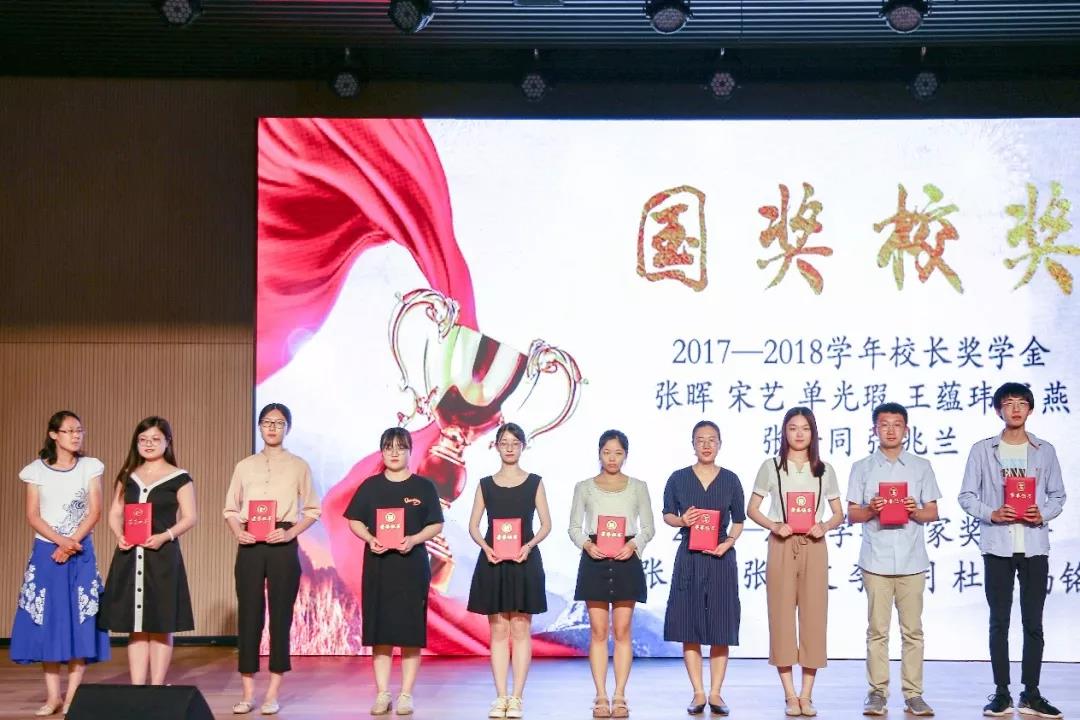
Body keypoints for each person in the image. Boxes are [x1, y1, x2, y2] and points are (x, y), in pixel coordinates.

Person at [958, 382, 1066, 719]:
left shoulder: (1044, 451)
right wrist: (991, 512)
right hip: (997, 547)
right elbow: (966, 496)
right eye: (1008, 403)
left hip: (1034, 547)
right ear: (998, 410)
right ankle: (1002, 693)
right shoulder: (982, 450)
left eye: (1022, 403)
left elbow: (1058, 495)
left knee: (1033, 623)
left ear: (1030, 409)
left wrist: (1041, 513)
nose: (1016, 408)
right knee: (999, 622)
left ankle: (1031, 694)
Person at [223, 403, 321, 715]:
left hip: (282, 543)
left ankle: (272, 693)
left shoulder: (299, 466)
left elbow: (313, 510)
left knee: (281, 616)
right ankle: (247, 693)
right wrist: (239, 532)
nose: (272, 428)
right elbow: (230, 509)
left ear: (287, 428)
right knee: (249, 615)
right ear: (260, 426)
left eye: (279, 423)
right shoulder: (244, 466)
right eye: (267, 422)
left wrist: (290, 533)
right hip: (251, 543)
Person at [11, 411, 111, 716]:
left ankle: (72, 697)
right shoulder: (35, 471)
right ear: (54, 434)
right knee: (49, 620)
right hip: (47, 552)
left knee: (79, 621)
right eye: (69, 431)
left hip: (80, 551)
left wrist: (70, 544)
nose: (76, 436)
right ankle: (53, 696)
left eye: (79, 430)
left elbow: (95, 511)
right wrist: (60, 542)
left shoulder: (90, 467)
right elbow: (33, 515)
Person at [746, 406, 844, 717]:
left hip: (814, 545)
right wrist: (774, 525)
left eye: (805, 428)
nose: (799, 434)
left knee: (814, 618)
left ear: (813, 433)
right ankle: (790, 695)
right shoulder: (772, 467)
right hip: (781, 545)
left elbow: (838, 513)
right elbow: (752, 508)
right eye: (792, 428)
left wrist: (824, 526)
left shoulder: (824, 469)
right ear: (784, 432)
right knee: (781, 618)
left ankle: (807, 695)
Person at [846, 403, 940, 717]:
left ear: (906, 430)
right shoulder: (862, 467)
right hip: (876, 560)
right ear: (875, 430)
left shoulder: (921, 466)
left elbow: (932, 512)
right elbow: (852, 514)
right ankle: (877, 693)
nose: (890, 430)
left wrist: (915, 510)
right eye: (884, 424)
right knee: (877, 631)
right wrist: (871, 508)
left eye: (897, 424)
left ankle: (914, 694)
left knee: (913, 631)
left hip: (913, 561)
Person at [345, 427, 445, 716]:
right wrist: (369, 538)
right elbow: (354, 520)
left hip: (412, 567)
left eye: (400, 447)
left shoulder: (423, 487)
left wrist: (414, 539)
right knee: (381, 633)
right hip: (378, 567)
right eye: (389, 447)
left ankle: (405, 695)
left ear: (410, 451)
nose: (394, 453)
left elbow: (436, 524)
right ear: (382, 451)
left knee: (411, 633)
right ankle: (382, 694)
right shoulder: (371, 486)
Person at [99, 416, 198, 685]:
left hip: (162, 557)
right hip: (130, 556)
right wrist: (119, 535)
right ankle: (138, 688)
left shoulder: (179, 477)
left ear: (167, 442)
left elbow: (190, 517)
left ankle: (156, 688)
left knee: (160, 623)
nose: (149, 444)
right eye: (143, 440)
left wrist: (165, 536)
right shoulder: (127, 476)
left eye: (155, 439)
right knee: (136, 625)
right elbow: (115, 512)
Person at [466, 422, 552, 719]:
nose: (510, 448)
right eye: (505, 443)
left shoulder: (534, 482)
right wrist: (486, 547)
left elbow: (546, 525)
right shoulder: (485, 484)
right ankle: (500, 696)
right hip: (493, 562)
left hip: (524, 561)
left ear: (523, 447)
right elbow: (474, 526)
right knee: (499, 630)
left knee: (521, 629)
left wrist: (528, 546)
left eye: (515, 443)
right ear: (497, 446)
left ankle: (517, 698)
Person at [568, 429, 655, 719]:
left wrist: (633, 545)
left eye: (618, 453)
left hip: (626, 560)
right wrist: (587, 545)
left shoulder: (638, 487)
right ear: (599, 454)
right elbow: (574, 527)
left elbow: (648, 528)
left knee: (622, 631)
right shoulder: (584, 487)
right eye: (607, 452)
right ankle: (600, 695)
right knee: (598, 631)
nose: (612, 458)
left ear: (626, 455)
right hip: (594, 560)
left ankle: (619, 695)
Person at [662, 420, 744, 716]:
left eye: (712, 439)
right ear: (693, 445)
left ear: (720, 444)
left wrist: (729, 542)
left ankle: (716, 692)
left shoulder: (731, 480)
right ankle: (698, 692)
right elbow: (667, 514)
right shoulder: (678, 478)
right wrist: (682, 521)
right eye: (700, 440)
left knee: (722, 625)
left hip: (721, 557)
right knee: (690, 623)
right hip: (690, 557)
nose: (706, 445)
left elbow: (739, 520)